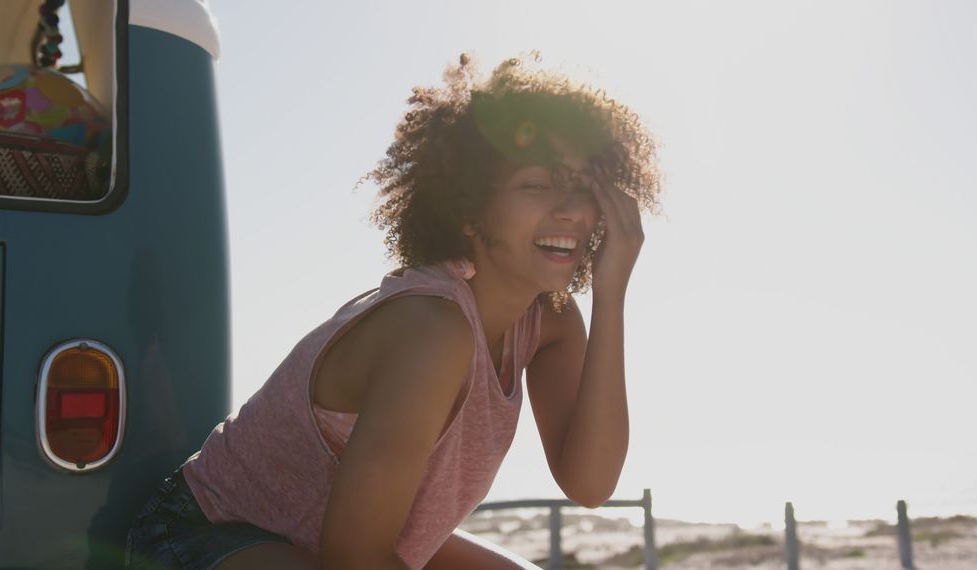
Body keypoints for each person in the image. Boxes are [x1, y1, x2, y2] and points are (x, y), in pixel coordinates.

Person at [125, 52, 662, 570]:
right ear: (469, 212)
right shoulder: (433, 327)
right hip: (203, 536)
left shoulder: (551, 323)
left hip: (330, 545)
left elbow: (589, 485)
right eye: (536, 185)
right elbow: (354, 559)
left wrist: (611, 293)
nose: (567, 210)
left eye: (579, 186)